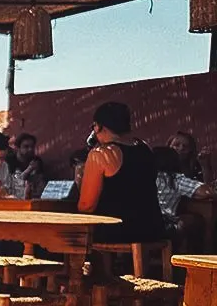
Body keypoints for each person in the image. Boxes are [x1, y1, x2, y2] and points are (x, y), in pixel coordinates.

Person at [78, 103, 164, 244]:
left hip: (118, 231)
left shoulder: (101, 154)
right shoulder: (145, 147)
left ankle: (101, 267)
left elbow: (87, 206)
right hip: (153, 227)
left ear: (98, 126)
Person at [154, 146, 214, 246]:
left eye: (185, 147)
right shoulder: (173, 179)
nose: (181, 149)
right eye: (177, 144)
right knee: (195, 221)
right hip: (162, 228)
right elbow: (206, 192)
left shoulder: (142, 176)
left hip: (139, 227)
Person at [8, 132, 46, 198]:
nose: (30, 149)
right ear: (18, 148)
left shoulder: (36, 160)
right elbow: (12, 183)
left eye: (32, 147)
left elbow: (40, 182)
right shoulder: (10, 161)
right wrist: (29, 169)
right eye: (26, 146)